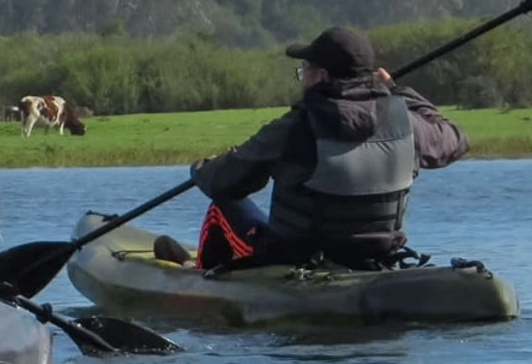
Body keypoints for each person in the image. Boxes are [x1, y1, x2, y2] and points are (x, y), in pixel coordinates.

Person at [185, 26, 469, 271]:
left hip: (295, 258)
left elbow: (226, 182)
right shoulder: (406, 122)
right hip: (376, 256)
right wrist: (398, 91)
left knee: (222, 205)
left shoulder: (295, 127)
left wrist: (200, 170)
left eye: (304, 71)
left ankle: (204, 285)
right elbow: (455, 139)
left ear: (321, 76)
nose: (303, 78)